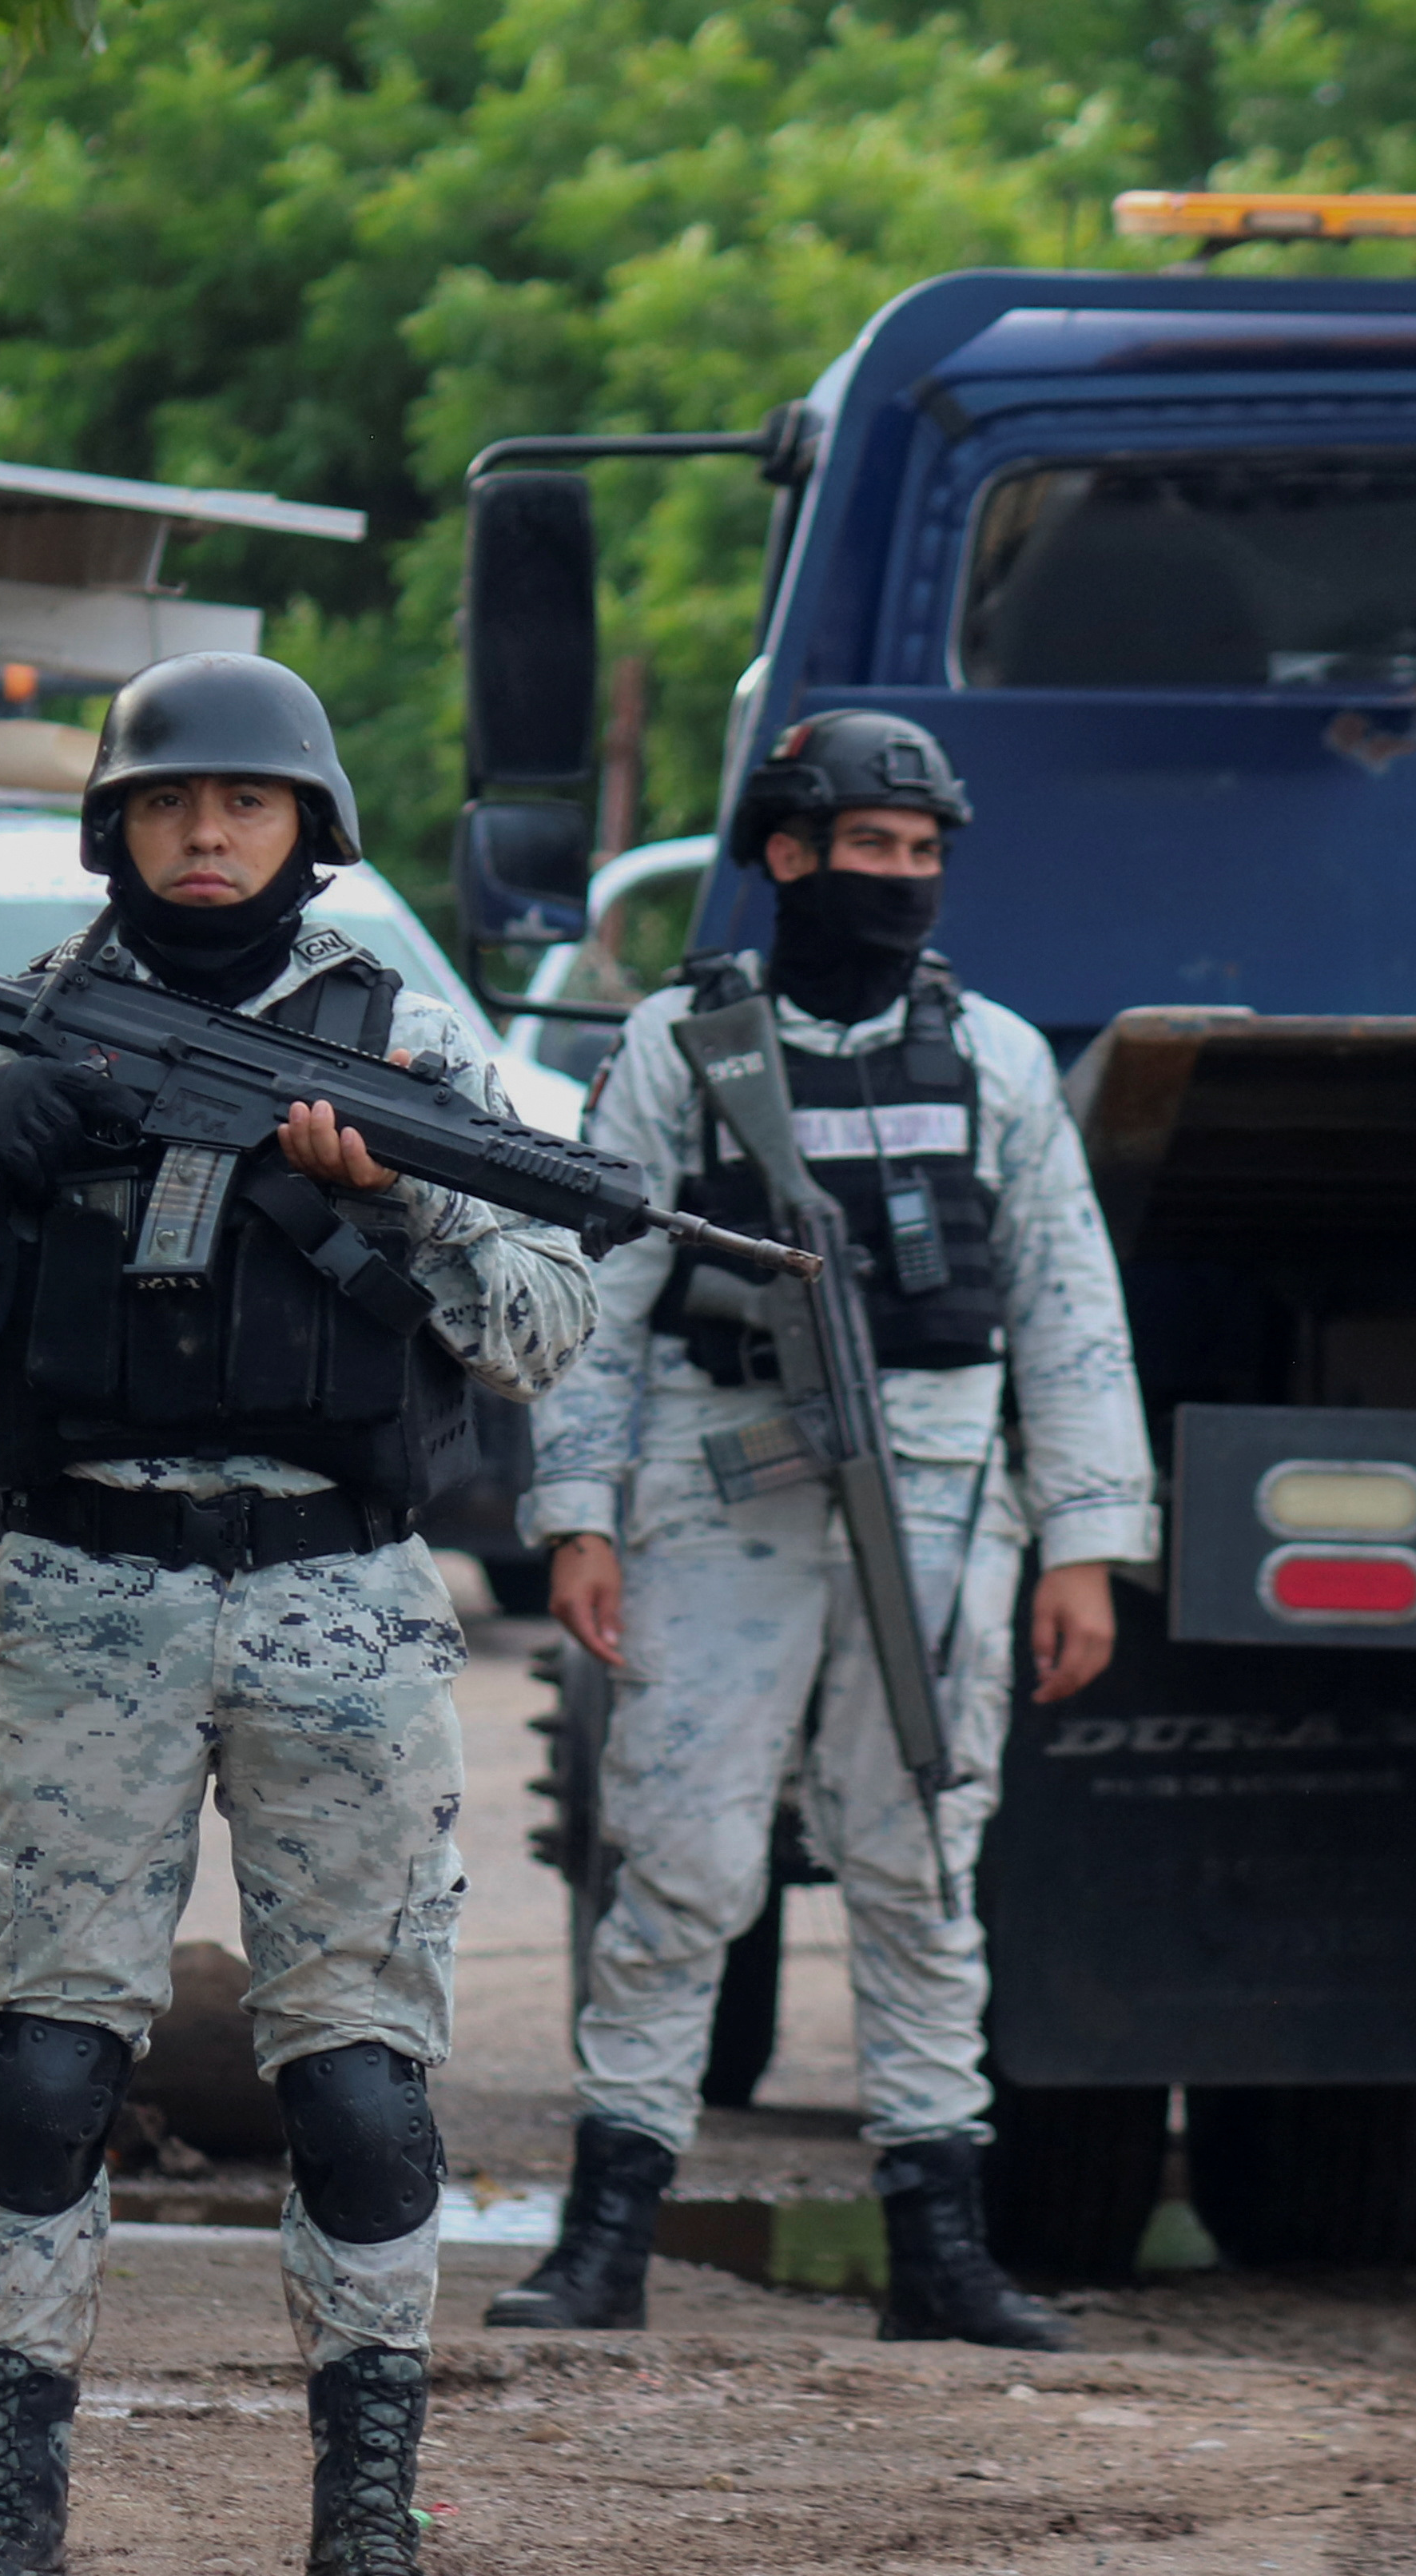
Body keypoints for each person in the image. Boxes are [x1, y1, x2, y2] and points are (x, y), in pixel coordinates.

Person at [0, 653, 594, 2576]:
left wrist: (396, 1182)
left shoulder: (403, 1033)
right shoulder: (13, 1027)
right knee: (42, 2067)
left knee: (353, 2089)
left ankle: (363, 2554)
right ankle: (8, 2550)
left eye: (247, 804)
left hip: (338, 1594)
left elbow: (539, 1321)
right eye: (172, 803)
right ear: (117, 827)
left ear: (306, 830)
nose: (208, 833)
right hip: (84, 1585)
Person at [485, 710, 1153, 2352]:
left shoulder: (990, 1054)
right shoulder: (681, 1048)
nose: (903, 883)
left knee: (922, 1859)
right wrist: (577, 1515)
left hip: (936, 1490)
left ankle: (939, 2244)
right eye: (872, 851)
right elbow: (603, 1289)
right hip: (726, 1489)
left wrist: (1083, 1539)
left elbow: (1069, 1313)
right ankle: (607, 2233)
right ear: (787, 856)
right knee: (679, 1856)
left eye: (924, 856)